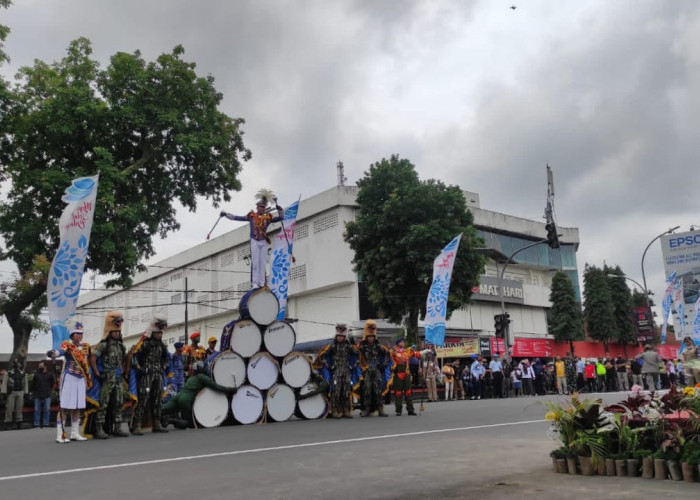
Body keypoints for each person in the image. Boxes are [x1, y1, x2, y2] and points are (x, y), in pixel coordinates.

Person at [220, 191, 284, 288]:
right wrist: (226, 214)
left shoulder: (268, 217)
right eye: (260, 206)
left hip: (263, 241)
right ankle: (254, 283)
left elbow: (281, 217)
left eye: (263, 206)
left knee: (262, 262)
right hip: (254, 240)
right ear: (257, 207)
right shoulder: (252, 216)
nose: (262, 208)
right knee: (255, 262)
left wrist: (279, 208)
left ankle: (262, 283)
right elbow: (238, 218)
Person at [47, 323, 92, 443]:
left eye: (81, 333)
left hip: (81, 379)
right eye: (77, 333)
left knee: (77, 407)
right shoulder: (68, 345)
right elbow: (61, 351)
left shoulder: (86, 347)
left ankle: (74, 433)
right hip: (69, 378)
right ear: (72, 335)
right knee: (64, 407)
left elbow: (88, 362)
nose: (80, 336)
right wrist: (54, 353)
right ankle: (60, 434)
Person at [90, 311, 129, 439]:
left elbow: (123, 360)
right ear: (110, 332)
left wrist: (123, 371)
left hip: (118, 377)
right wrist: (96, 372)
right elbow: (93, 357)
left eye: (118, 332)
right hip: (107, 377)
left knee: (119, 402)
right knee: (104, 402)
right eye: (114, 332)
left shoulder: (121, 346)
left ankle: (117, 427)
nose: (117, 333)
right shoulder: (104, 345)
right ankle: (99, 428)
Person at [161, 361, 236, 429]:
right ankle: (170, 420)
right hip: (186, 399)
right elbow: (216, 387)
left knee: (162, 410)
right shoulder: (202, 377)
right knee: (189, 423)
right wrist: (231, 390)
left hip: (178, 395)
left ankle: (161, 420)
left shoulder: (192, 377)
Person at [128, 317, 170, 435]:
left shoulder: (162, 346)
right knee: (142, 400)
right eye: (157, 333)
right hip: (146, 375)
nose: (159, 335)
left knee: (157, 400)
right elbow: (134, 356)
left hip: (158, 375)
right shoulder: (145, 344)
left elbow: (167, 358)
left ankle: (157, 424)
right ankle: (136, 425)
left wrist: (165, 366)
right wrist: (138, 367)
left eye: (160, 333)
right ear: (152, 333)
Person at [314, 323, 360, 418]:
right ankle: (335, 411)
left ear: (344, 337)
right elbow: (323, 356)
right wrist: (329, 366)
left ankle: (346, 411)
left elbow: (357, 355)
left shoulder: (348, 347)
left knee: (346, 391)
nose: (339, 338)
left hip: (346, 371)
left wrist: (353, 366)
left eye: (341, 336)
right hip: (336, 372)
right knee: (336, 391)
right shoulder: (333, 346)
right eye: (338, 336)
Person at [357, 320, 393, 417]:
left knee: (378, 390)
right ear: (366, 337)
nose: (371, 339)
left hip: (376, 370)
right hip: (366, 371)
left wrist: (383, 364)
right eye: (369, 337)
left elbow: (387, 354)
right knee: (367, 390)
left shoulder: (379, 346)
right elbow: (357, 356)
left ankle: (381, 409)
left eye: (372, 337)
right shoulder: (362, 347)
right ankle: (366, 409)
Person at [390, 337, 424, 415]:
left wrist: (426, 351)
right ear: (398, 343)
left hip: (406, 373)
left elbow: (417, 354)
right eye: (401, 342)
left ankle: (410, 410)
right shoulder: (393, 351)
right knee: (398, 393)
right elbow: (389, 359)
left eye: (403, 342)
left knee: (408, 392)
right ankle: (398, 411)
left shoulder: (407, 351)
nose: (403, 343)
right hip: (398, 374)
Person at [3, 359, 28, 430]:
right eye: (15, 363)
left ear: (20, 364)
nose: (16, 364)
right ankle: (8, 423)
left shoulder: (23, 373)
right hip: (11, 393)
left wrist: (25, 393)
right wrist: (4, 393)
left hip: (20, 392)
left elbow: (26, 384)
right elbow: (4, 384)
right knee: (9, 408)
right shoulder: (8, 373)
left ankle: (19, 423)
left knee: (19, 408)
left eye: (18, 363)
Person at [32, 361, 55, 429]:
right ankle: (36, 424)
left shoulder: (50, 374)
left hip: (47, 394)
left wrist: (49, 391)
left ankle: (46, 424)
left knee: (47, 409)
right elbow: (33, 384)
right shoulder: (36, 374)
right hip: (37, 394)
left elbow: (52, 384)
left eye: (41, 366)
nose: (39, 367)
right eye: (39, 366)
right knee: (36, 410)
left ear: (45, 366)